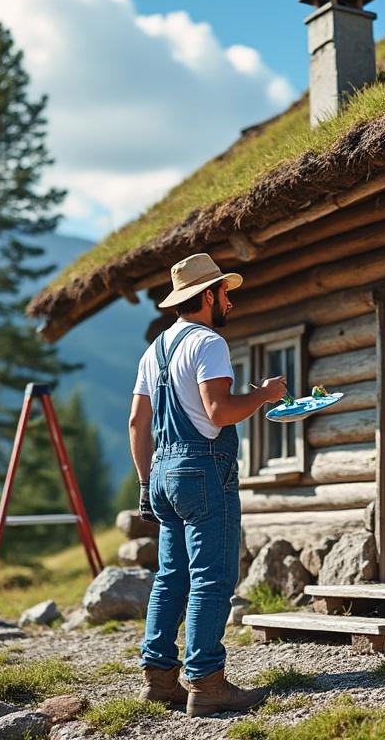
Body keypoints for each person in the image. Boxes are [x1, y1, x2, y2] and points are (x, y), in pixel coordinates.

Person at [128, 252, 287, 717]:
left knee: (170, 578)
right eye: (224, 293)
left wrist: (145, 483)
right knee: (211, 578)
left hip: (162, 472)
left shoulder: (154, 350)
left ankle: (159, 679)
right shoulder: (208, 342)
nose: (230, 302)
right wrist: (264, 395)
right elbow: (219, 413)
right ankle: (207, 682)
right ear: (208, 296)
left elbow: (137, 422)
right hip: (203, 470)